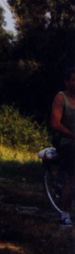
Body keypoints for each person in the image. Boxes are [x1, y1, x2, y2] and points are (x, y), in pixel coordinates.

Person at [50, 67, 75, 226]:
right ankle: (65, 215)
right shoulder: (61, 98)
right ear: (67, 82)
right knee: (72, 177)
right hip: (66, 142)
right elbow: (55, 124)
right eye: (74, 80)